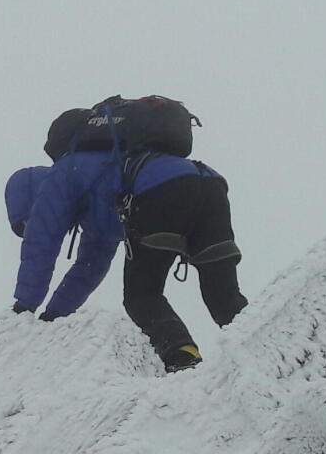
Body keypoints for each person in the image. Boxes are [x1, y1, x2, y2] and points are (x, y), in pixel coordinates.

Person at [98, 95, 248, 373]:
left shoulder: (121, 161)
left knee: (142, 294)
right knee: (224, 296)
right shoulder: (170, 160)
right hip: (212, 184)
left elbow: (104, 211)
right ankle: (261, 346)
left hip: (163, 188)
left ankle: (183, 354)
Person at [7, 108, 126, 322]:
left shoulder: (60, 180)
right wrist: (54, 315)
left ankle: (181, 352)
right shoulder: (96, 206)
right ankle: (183, 352)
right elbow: (90, 267)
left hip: (160, 205)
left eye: (28, 223)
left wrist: (23, 307)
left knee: (143, 296)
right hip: (172, 204)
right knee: (144, 296)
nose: (29, 230)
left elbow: (40, 246)